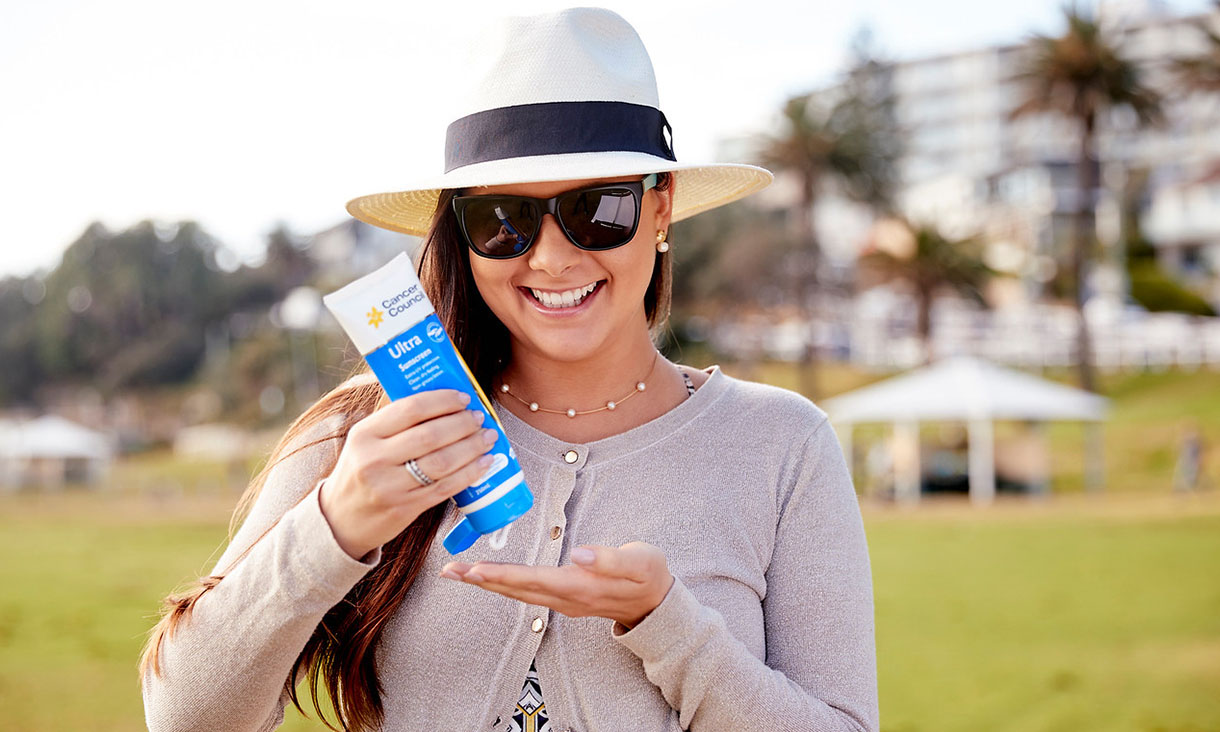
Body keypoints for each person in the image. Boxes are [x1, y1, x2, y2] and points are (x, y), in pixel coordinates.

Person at [140, 8, 877, 732]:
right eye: (502, 219)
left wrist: (668, 624)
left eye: (597, 210)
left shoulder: (783, 446)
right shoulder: (370, 438)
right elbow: (184, 719)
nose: (553, 259)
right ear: (459, 236)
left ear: (661, 211)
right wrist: (335, 524)